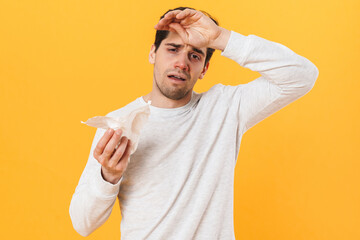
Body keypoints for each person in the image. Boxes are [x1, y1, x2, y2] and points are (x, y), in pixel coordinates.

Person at [69, 6, 319, 239]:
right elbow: (82, 224)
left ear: (204, 68)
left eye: (195, 55)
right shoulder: (118, 124)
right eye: (173, 49)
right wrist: (108, 176)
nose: (182, 63)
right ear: (153, 54)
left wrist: (221, 38)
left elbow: (302, 76)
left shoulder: (225, 108)